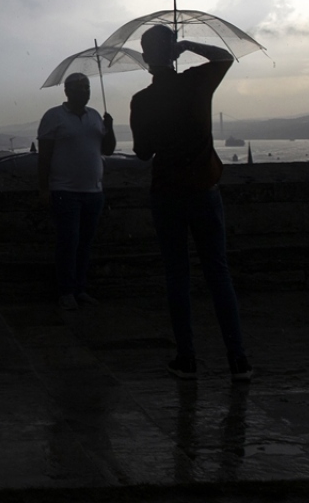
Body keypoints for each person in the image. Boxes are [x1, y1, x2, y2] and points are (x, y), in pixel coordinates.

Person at [130, 25, 252, 382]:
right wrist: (186, 44)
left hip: (167, 193)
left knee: (177, 276)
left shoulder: (142, 101)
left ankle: (187, 358)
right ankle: (238, 358)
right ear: (173, 53)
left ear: (145, 56)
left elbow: (141, 153)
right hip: (203, 189)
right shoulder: (196, 83)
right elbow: (224, 57)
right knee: (218, 273)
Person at [38, 72, 115, 311]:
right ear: (68, 91)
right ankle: (66, 291)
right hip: (64, 190)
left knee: (85, 243)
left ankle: (79, 289)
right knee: (69, 242)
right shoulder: (54, 116)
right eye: (80, 87)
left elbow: (108, 150)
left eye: (88, 87)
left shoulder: (94, 116)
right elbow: (44, 157)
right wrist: (43, 188)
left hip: (94, 192)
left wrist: (110, 127)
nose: (86, 91)